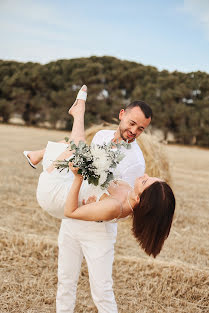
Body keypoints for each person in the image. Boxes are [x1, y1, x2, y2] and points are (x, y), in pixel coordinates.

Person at [23, 85, 175, 313]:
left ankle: (73, 118)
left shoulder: (136, 162)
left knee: (102, 291)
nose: (134, 131)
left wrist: (97, 197)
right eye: (132, 123)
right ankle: (47, 146)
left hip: (97, 228)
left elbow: (130, 204)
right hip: (76, 216)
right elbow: (91, 175)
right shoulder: (103, 136)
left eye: (141, 129)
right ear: (121, 115)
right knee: (65, 281)